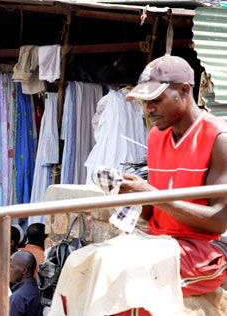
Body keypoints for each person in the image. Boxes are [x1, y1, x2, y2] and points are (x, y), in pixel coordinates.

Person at [52, 55, 227, 316]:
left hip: (202, 250)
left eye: (156, 101)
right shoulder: (157, 136)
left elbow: (217, 221)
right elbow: (151, 212)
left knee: (119, 277)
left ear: (184, 91)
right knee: (78, 264)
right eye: (146, 103)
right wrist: (131, 192)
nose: (148, 110)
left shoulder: (218, 138)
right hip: (158, 240)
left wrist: (152, 194)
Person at [9, 251, 41, 316]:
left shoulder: (17, 297)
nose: (8, 270)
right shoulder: (40, 291)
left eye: (11, 267)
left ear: (24, 270)